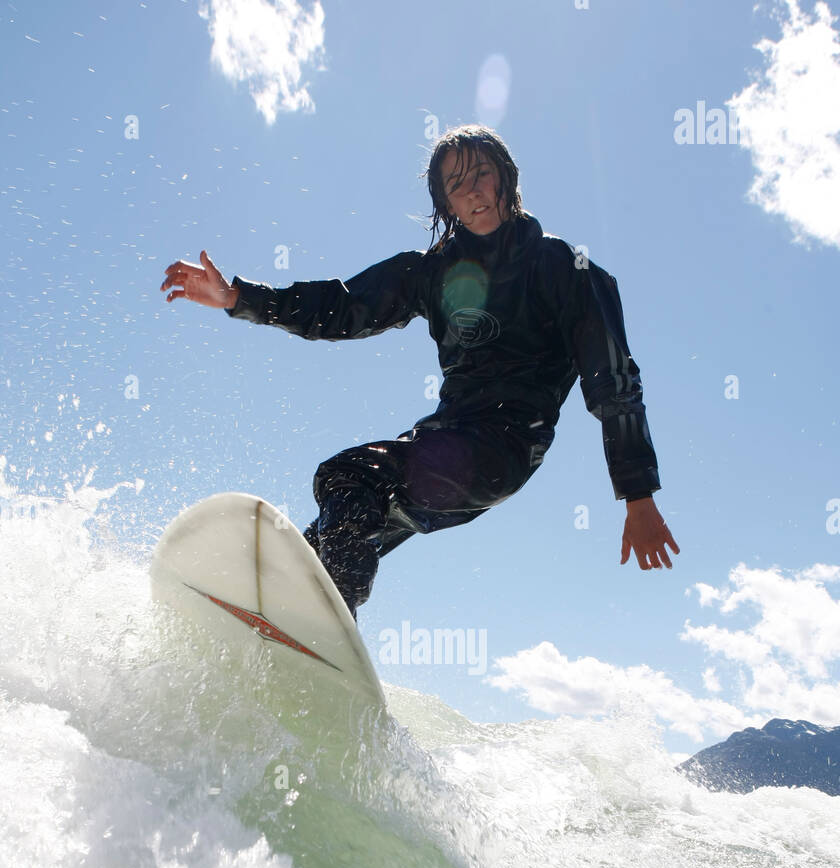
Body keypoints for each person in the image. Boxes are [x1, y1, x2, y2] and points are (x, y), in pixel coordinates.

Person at [161, 124, 679, 619]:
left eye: (481, 174)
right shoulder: (431, 272)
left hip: (503, 448)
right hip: (445, 437)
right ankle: (293, 622)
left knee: (349, 475)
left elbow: (613, 381)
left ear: (506, 175)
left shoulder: (565, 268)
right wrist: (239, 298)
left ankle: (325, 611)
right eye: (456, 185)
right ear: (444, 203)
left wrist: (638, 494)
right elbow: (342, 307)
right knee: (338, 527)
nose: (473, 192)